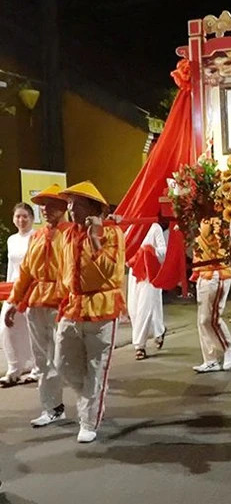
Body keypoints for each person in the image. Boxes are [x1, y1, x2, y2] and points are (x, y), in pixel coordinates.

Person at [56, 181, 126, 443]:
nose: (71, 208)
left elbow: (110, 270)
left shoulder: (112, 232)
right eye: (70, 203)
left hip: (102, 308)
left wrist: (96, 239)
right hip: (72, 308)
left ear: (94, 208)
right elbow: (64, 273)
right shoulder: (68, 234)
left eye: (78, 203)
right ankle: (90, 400)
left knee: (97, 370)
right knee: (62, 362)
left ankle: (89, 420)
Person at [5, 186, 67, 426]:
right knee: (42, 359)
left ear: (63, 207)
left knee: (65, 358)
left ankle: (90, 411)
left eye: (50, 204)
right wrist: (13, 302)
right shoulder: (38, 236)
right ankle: (52, 407)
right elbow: (26, 272)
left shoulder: (71, 234)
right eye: (43, 205)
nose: (45, 209)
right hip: (36, 301)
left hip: (62, 303)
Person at [191, 215, 231, 373]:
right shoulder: (198, 217)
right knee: (202, 321)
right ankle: (210, 360)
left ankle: (229, 346)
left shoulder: (220, 218)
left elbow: (215, 237)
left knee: (210, 319)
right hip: (203, 274)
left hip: (217, 274)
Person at [0, 202, 38, 387]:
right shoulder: (12, 239)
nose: (21, 220)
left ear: (32, 218)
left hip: (32, 287)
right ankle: (14, 368)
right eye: (18, 216)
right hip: (14, 287)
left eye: (25, 216)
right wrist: (8, 289)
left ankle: (37, 368)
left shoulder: (37, 237)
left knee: (33, 328)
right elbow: (11, 266)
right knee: (7, 327)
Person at [127, 217, 168, 360]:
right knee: (133, 310)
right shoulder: (131, 227)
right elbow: (124, 248)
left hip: (150, 273)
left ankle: (140, 346)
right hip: (134, 274)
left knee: (146, 309)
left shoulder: (154, 227)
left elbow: (163, 251)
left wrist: (150, 251)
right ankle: (160, 330)